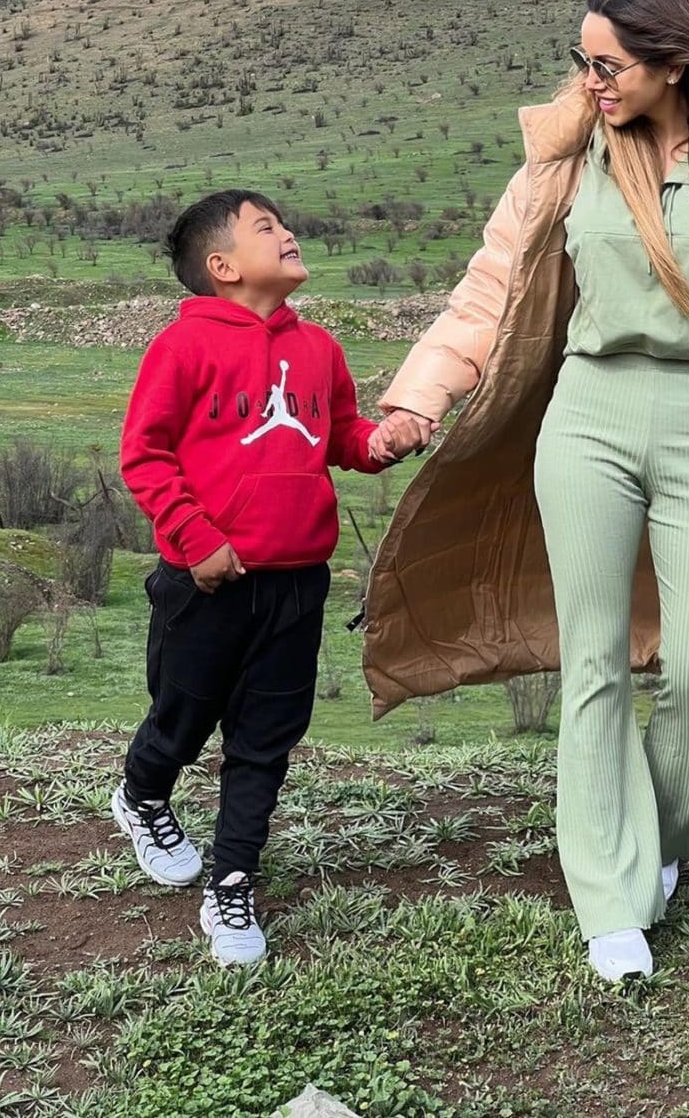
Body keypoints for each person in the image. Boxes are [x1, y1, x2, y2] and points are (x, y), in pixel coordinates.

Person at [366, 0, 689, 982]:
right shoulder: (565, 162)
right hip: (587, 419)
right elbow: (487, 293)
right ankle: (608, 897)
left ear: (674, 63)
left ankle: (670, 846)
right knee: (592, 661)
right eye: (581, 59)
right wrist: (418, 395)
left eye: (609, 63)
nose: (589, 79)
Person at [112, 189, 426, 965]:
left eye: (285, 223)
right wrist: (195, 541)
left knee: (265, 742)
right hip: (207, 583)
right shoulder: (181, 349)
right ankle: (143, 794)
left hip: (296, 583)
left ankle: (233, 881)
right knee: (181, 719)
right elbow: (144, 455)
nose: (288, 233)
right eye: (267, 228)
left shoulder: (317, 347)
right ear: (221, 267)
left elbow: (340, 435)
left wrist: (381, 442)